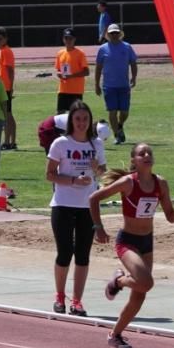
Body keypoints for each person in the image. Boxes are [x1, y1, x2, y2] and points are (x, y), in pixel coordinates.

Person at [89, 143, 174, 348]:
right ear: (134, 160)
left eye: (149, 153)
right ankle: (118, 280)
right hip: (127, 242)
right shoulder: (128, 183)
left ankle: (115, 334)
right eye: (141, 153)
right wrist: (98, 227)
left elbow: (170, 217)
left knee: (140, 293)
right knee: (146, 282)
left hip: (147, 242)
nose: (146, 155)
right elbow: (94, 198)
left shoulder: (160, 183)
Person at [46, 100, 107, 317]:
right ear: (71, 120)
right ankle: (60, 296)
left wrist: (96, 168)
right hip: (63, 204)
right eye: (78, 119)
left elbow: (103, 174)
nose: (81, 123)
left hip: (86, 206)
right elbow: (50, 174)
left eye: (85, 119)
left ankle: (78, 301)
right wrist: (72, 180)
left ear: (90, 121)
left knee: (83, 254)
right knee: (65, 252)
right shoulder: (60, 144)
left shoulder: (96, 144)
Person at [95, 23, 137, 145]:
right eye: (112, 33)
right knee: (112, 111)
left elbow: (133, 63)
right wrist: (96, 84)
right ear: (108, 34)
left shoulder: (127, 47)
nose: (114, 35)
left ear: (120, 34)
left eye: (116, 33)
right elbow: (98, 67)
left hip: (124, 85)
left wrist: (134, 77)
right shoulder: (103, 49)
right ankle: (117, 135)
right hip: (109, 86)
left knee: (124, 112)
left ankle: (119, 125)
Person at [55, 28, 89, 113]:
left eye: (70, 38)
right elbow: (58, 70)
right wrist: (59, 74)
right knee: (60, 115)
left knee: (75, 115)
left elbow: (86, 72)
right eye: (66, 38)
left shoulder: (80, 54)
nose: (68, 40)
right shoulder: (60, 53)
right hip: (63, 90)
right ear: (63, 39)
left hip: (76, 91)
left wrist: (71, 76)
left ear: (74, 39)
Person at [0, 27, 17, 150]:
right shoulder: (2, 50)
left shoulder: (5, 51)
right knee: (8, 114)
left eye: (0, 39)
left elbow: (10, 70)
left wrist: (11, 87)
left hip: (5, 88)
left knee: (6, 116)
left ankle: (7, 142)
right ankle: (12, 141)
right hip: (3, 87)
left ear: (6, 39)